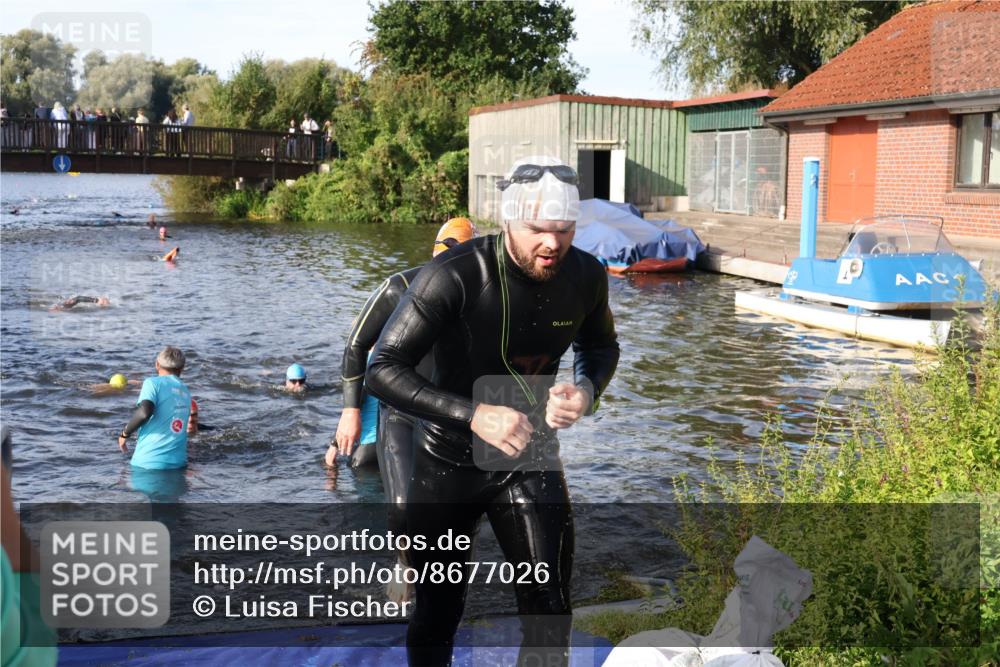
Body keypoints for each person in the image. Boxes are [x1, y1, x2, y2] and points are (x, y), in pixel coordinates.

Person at [366, 157, 619, 666]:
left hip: (530, 456)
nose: (552, 244)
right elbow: (382, 368)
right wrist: (474, 414)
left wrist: (586, 389)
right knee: (438, 611)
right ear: (508, 222)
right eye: (537, 230)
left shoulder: (587, 275)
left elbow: (601, 346)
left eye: (564, 230)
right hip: (447, 463)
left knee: (550, 609)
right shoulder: (453, 275)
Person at [329, 218, 478, 599]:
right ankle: (405, 564)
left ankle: (447, 583)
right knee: (401, 507)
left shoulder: (481, 294)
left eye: (460, 256)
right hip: (400, 411)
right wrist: (350, 410)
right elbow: (356, 345)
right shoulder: (399, 286)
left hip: (451, 413)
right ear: (434, 252)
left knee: (456, 512)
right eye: (445, 252)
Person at [117, 346, 192, 469]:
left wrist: (125, 434)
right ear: (182, 368)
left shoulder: (152, 383)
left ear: (157, 364)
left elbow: (144, 413)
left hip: (147, 463)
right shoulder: (186, 391)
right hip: (179, 464)